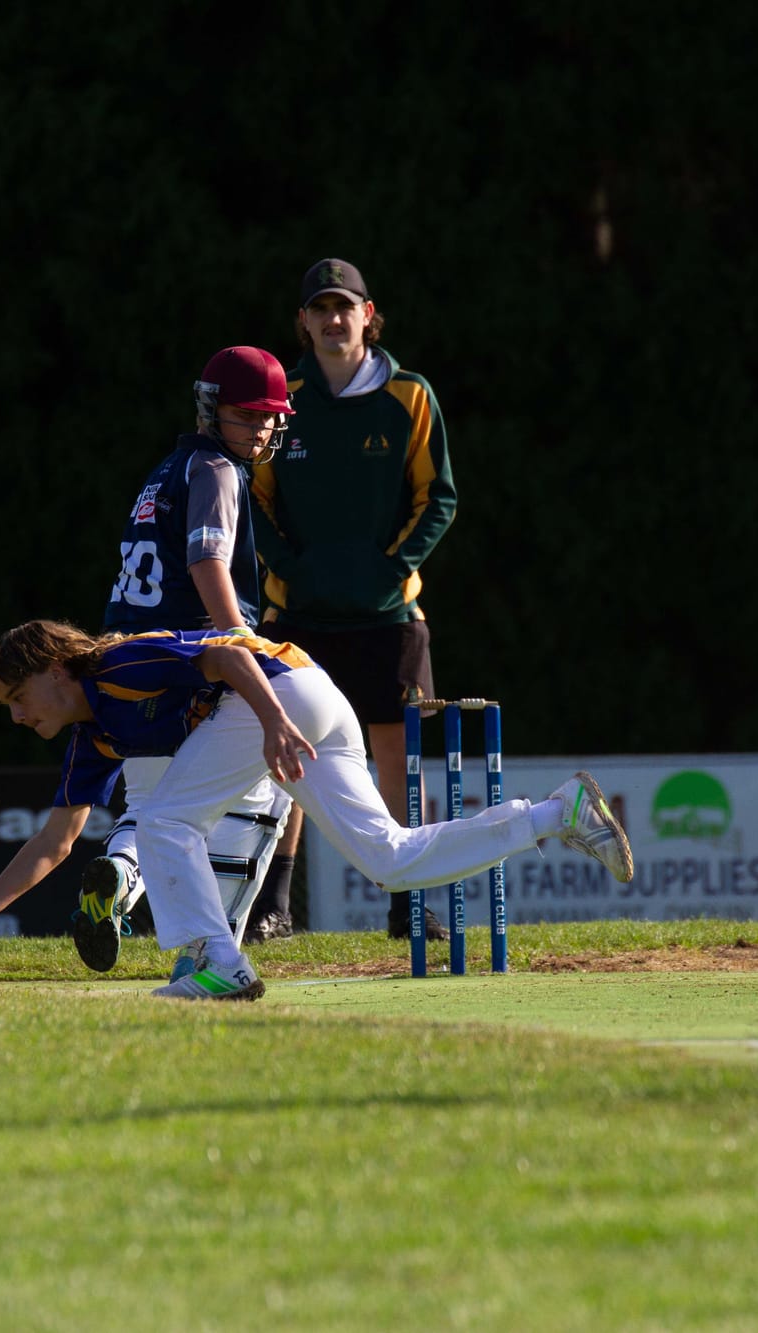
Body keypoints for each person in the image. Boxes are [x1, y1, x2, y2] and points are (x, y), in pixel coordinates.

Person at [0, 621, 634, 1001]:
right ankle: (553, 813)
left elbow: (231, 656)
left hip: (279, 691)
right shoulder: (93, 734)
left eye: (17, 696)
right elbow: (58, 835)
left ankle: (217, 962)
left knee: (163, 821)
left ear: (54, 669)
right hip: (309, 699)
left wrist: (271, 724)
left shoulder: (120, 666)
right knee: (389, 858)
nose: (15, 715)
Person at [247, 258, 459, 944]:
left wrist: (393, 567)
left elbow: (439, 498)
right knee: (287, 753)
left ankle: (405, 900)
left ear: (370, 315)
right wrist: (290, 569)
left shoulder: (410, 395)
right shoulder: (283, 398)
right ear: (304, 323)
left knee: (396, 753)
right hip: (298, 613)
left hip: (389, 615)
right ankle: (274, 902)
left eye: (347, 307)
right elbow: (252, 498)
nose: (335, 319)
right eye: (321, 308)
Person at [70, 348, 294, 976]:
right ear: (209, 408)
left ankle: (118, 872)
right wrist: (241, 644)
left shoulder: (165, 469)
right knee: (256, 803)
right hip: (187, 657)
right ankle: (211, 953)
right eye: (247, 414)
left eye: (270, 416)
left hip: (122, 660)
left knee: (148, 810)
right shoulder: (217, 469)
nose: (262, 428)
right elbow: (207, 565)